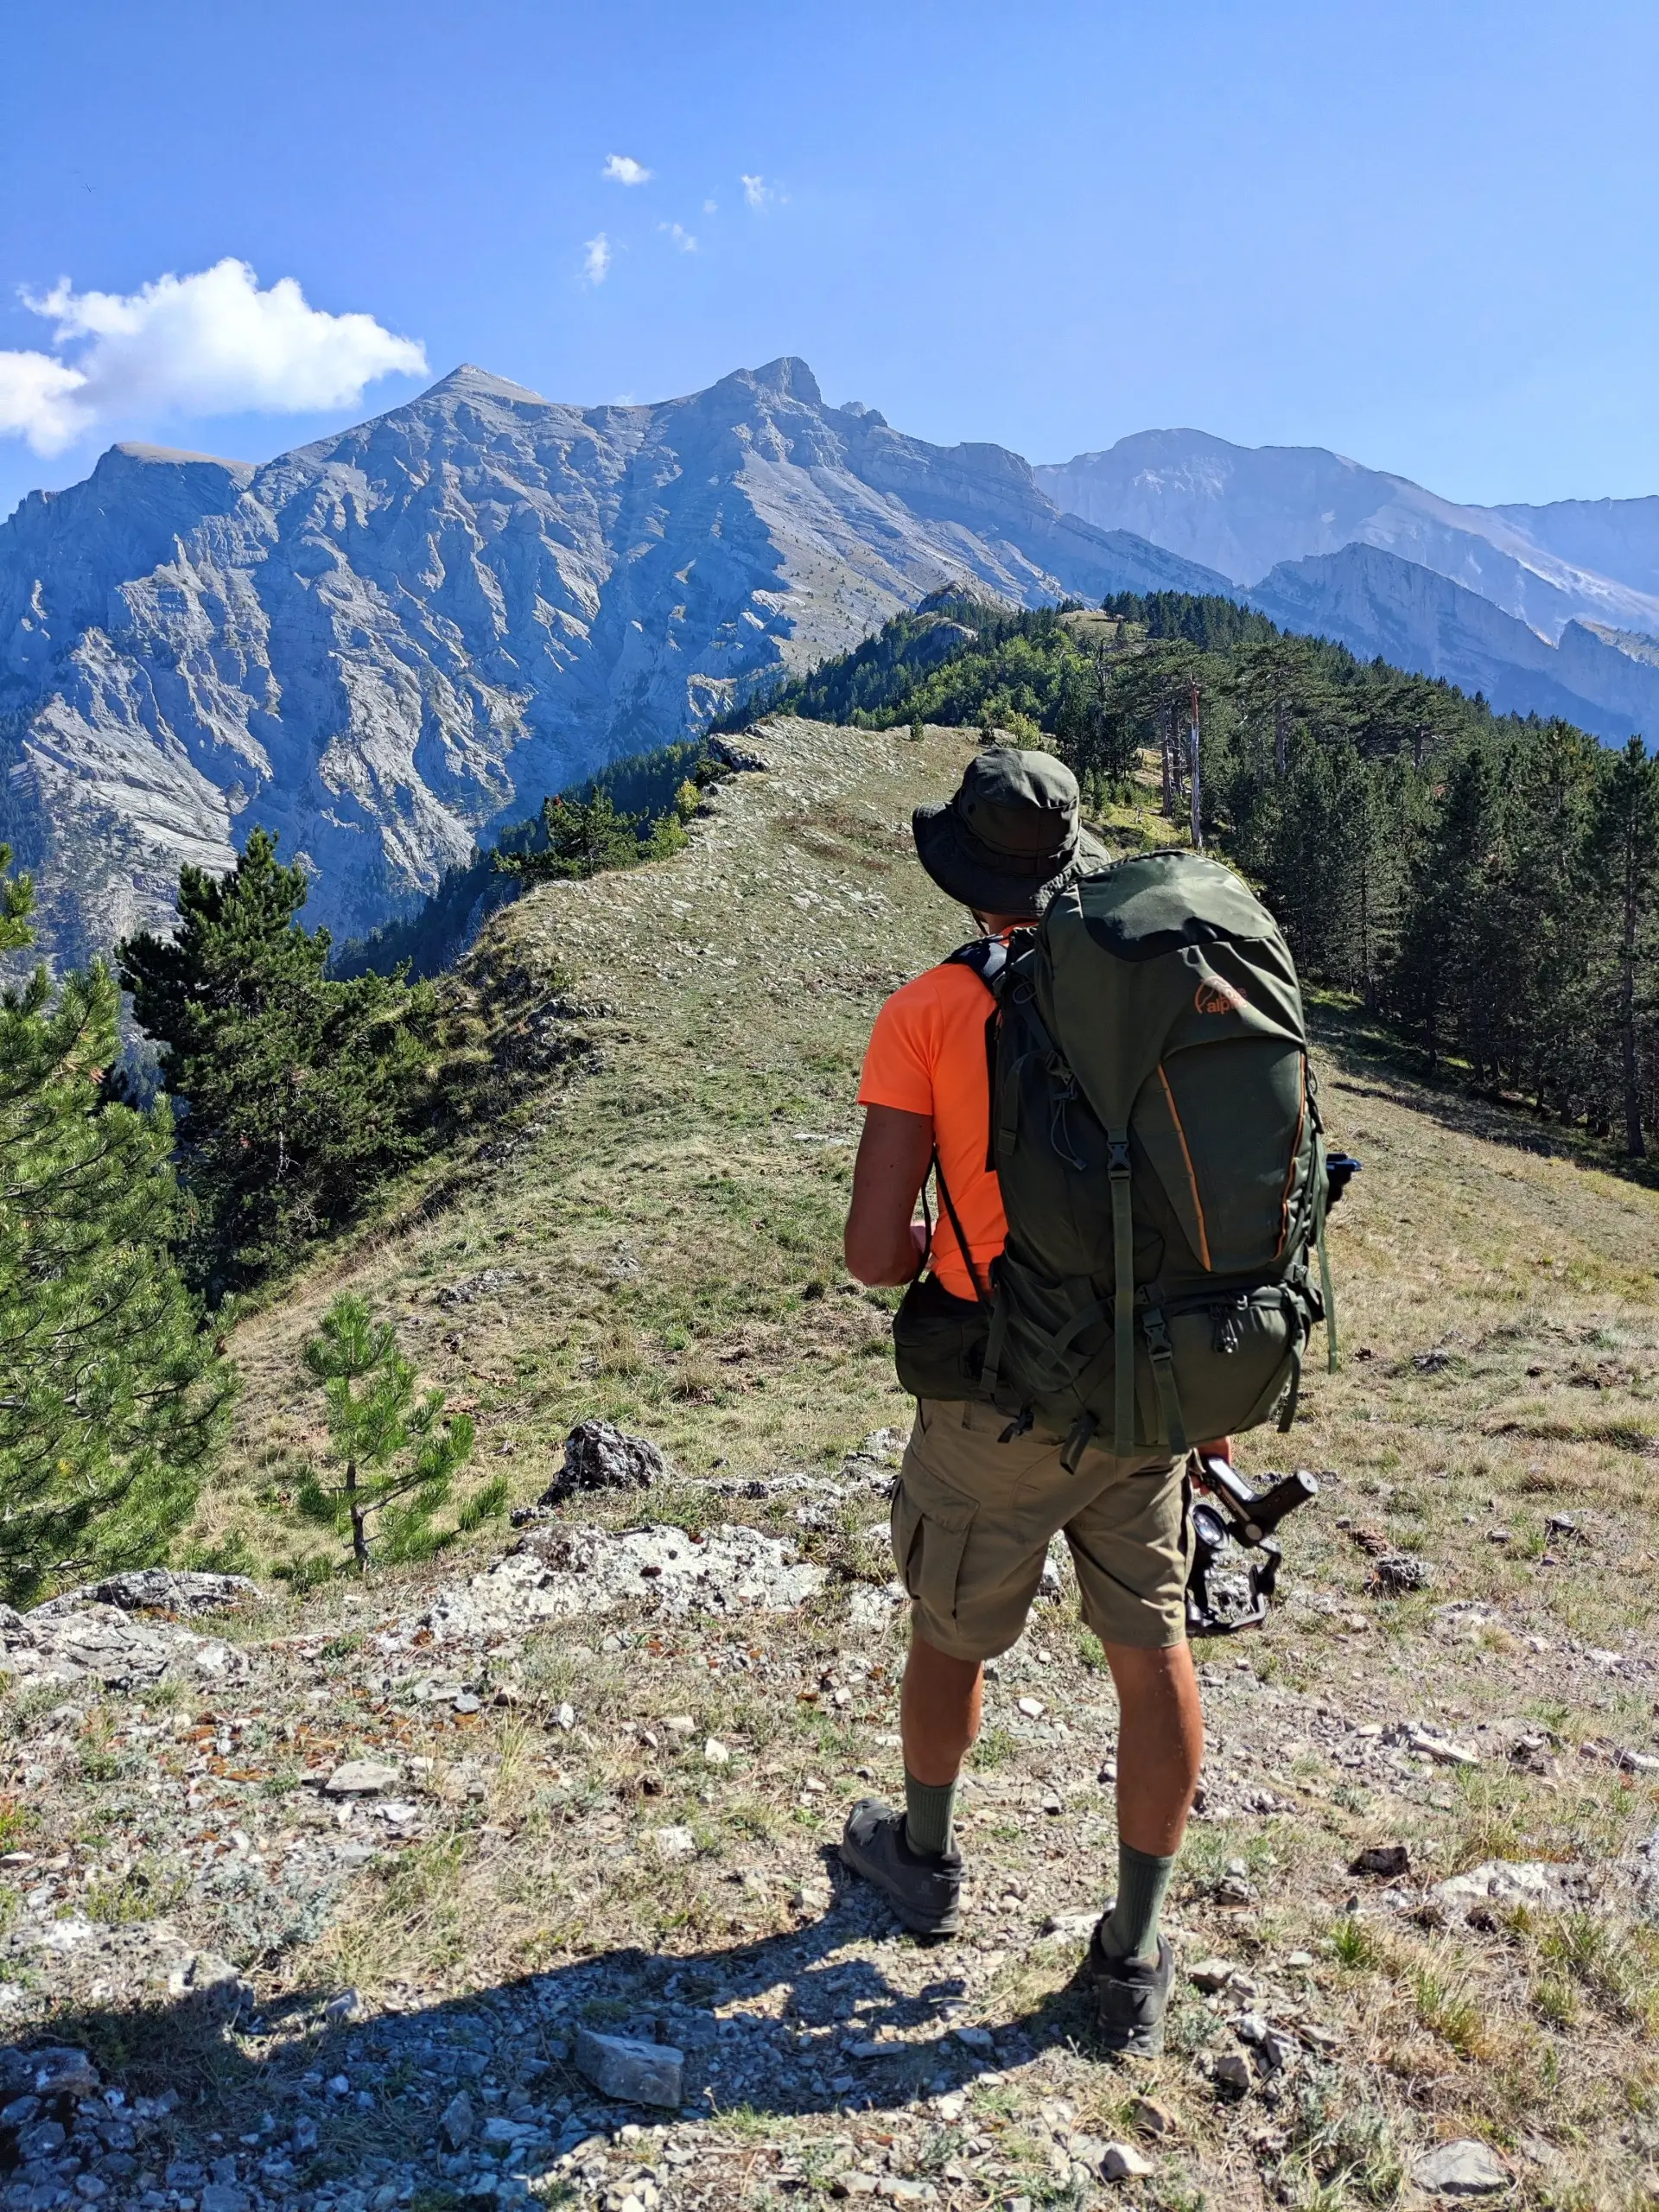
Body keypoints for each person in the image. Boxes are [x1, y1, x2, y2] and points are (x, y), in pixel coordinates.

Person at [837, 744, 1211, 2058]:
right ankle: (1135, 1951)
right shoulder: (1165, 984)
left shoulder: (928, 1013)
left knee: (950, 1627)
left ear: (966, 875)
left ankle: (923, 1861)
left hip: (998, 1397)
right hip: (1152, 1392)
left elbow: (877, 1255)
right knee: (1149, 1646)